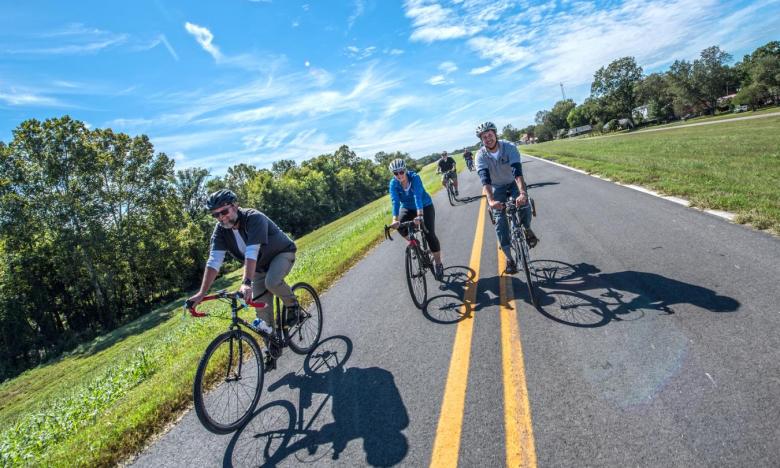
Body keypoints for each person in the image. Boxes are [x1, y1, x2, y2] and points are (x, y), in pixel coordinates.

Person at [187, 189, 299, 365]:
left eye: (224, 211)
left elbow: (251, 252)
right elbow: (214, 261)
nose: (221, 217)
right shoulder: (220, 231)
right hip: (259, 267)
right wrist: (201, 294)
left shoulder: (254, 218)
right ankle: (273, 347)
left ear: (235, 206)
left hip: (281, 253)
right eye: (216, 215)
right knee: (262, 313)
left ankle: (293, 306)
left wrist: (246, 282)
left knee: (272, 282)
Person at [475, 121, 539, 275]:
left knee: (524, 203)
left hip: (513, 182)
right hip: (497, 187)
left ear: (495, 134)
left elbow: (517, 172)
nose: (488, 139)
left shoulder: (509, 147)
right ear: (481, 140)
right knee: (500, 221)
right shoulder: (480, 155)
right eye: (484, 137)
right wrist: (491, 201)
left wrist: (523, 193)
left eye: (490, 135)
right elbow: (485, 180)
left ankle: (527, 228)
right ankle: (509, 259)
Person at [387, 159, 445, 280]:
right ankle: (414, 243)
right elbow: (395, 202)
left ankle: (438, 263)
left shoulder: (415, 178)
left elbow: (417, 196)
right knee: (400, 227)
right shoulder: (393, 184)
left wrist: (420, 215)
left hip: (424, 206)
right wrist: (394, 220)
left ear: (405, 170)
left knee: (429, 234)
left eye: (401, 172)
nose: (399, 175)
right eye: (396, 173)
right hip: (407, 207)